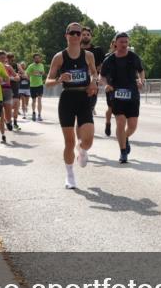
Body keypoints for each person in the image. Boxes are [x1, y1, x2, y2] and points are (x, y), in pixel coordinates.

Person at [45, 22, 99, 188]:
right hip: (67, 98)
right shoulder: (59, 57)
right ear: (66, 36)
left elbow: (94, 73)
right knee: (69, 142)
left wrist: (93, 82)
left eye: (78, 33)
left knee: (88, 141)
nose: (75, 35)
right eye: (72, 33)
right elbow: (47, 82)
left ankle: (81, 150)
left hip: (83, 97)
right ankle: (69, 175)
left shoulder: (88, 55)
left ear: (81, 36)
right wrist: (59, 79)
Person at [99, 32, 144, 164]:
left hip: (132, 95)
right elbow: (102, 75)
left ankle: (124, 138)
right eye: (121, 42)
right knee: (120, 122)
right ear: (115, 43)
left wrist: (141, 81)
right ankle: (123, 152)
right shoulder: (109, 60)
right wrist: (106, 85)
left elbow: (141, 70)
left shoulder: (133, 57)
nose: (124, 44)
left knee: (132, 126)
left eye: (126, 42)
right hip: (116, 94)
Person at [80, 27, 107, 117]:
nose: (86, 36)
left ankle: (90, 110)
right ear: (80, 36)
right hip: (79, 80)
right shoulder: (76, 50)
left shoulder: (97, 50)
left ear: (91, 37)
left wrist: (98, 71)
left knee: (91, 102)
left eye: (88, 35)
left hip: (93, 79)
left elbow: (104, 63)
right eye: (83, 34)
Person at [103, 38, 117, 136]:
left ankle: (120, 128)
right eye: (114, 45)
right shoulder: (107, 58)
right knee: (111, 108)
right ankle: (108, 123)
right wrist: (106, 84)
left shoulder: (126, 56)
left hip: (123, 86)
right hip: (110, 86)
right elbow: (102, 73)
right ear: (111, 46)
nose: (116, 47)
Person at [27, 53, 46, 121]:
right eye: (36, 58)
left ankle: (39, 115)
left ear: (40, 59)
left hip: (40, 85)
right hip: (33, 85)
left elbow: (43, 73)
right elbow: (27, 74)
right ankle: (33, 113)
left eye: (38, 58)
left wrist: (41, 73)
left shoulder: (41, 65)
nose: (37, 59)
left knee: (39, 99)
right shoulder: (31, 66)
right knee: (34, 100)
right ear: (34, 59)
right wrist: (30, 78)